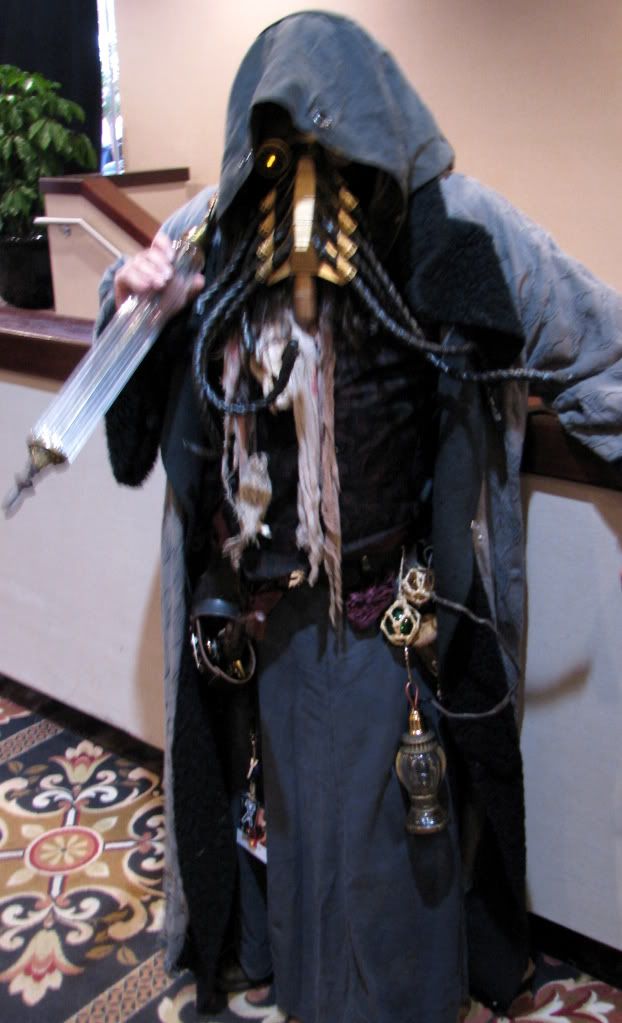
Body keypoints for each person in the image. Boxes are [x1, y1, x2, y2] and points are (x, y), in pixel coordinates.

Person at [97, 12, 622, 1023]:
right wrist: (133, 320)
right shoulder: (208, 233)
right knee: (287, 827)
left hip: (396, 619)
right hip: (263, 622)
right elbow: (128, 417)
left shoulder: (454, 223)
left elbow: (596, 342)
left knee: (396, 852)